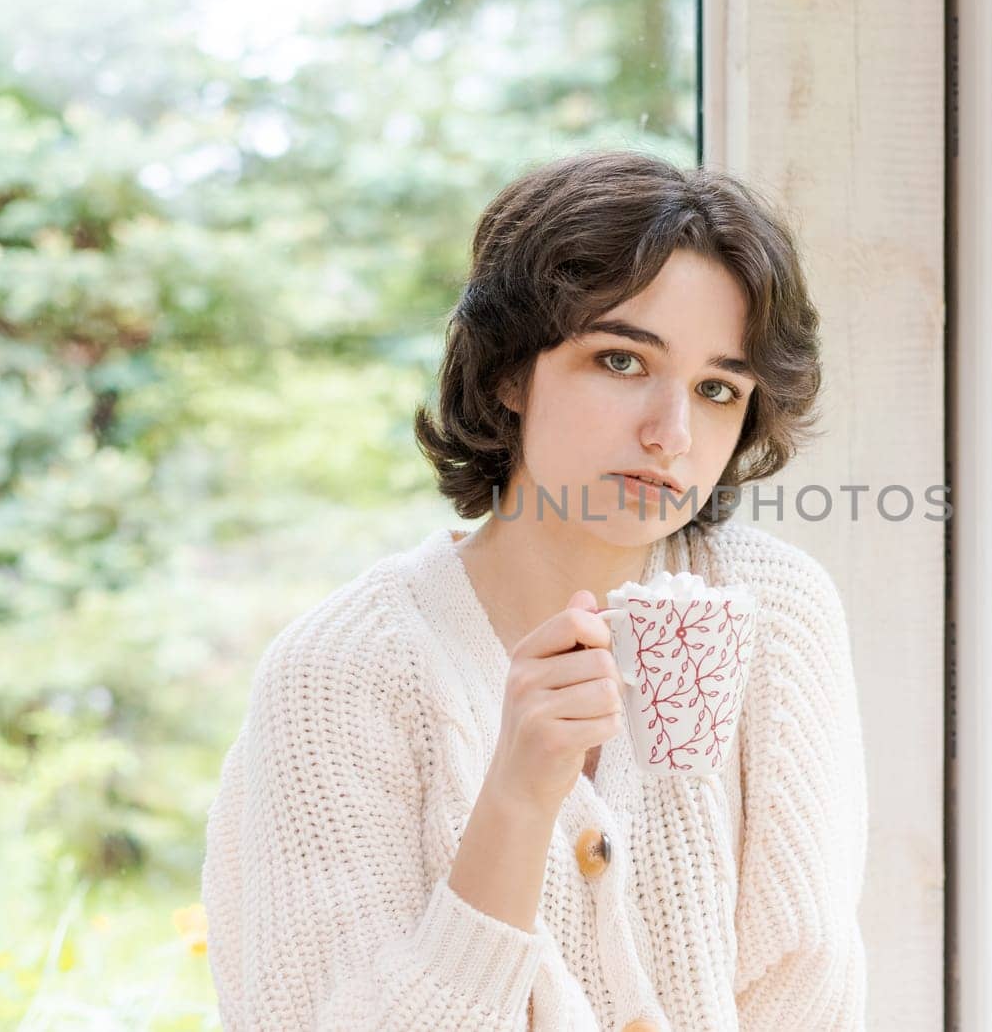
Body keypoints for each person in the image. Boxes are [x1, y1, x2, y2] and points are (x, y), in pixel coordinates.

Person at [200, 149, 870, 1030]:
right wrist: (517, 796)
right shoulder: (340, 674)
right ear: (512, 371)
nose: (671, 433)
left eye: (716, 389)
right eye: (621, 361)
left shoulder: (774, 610)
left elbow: (808, 986)